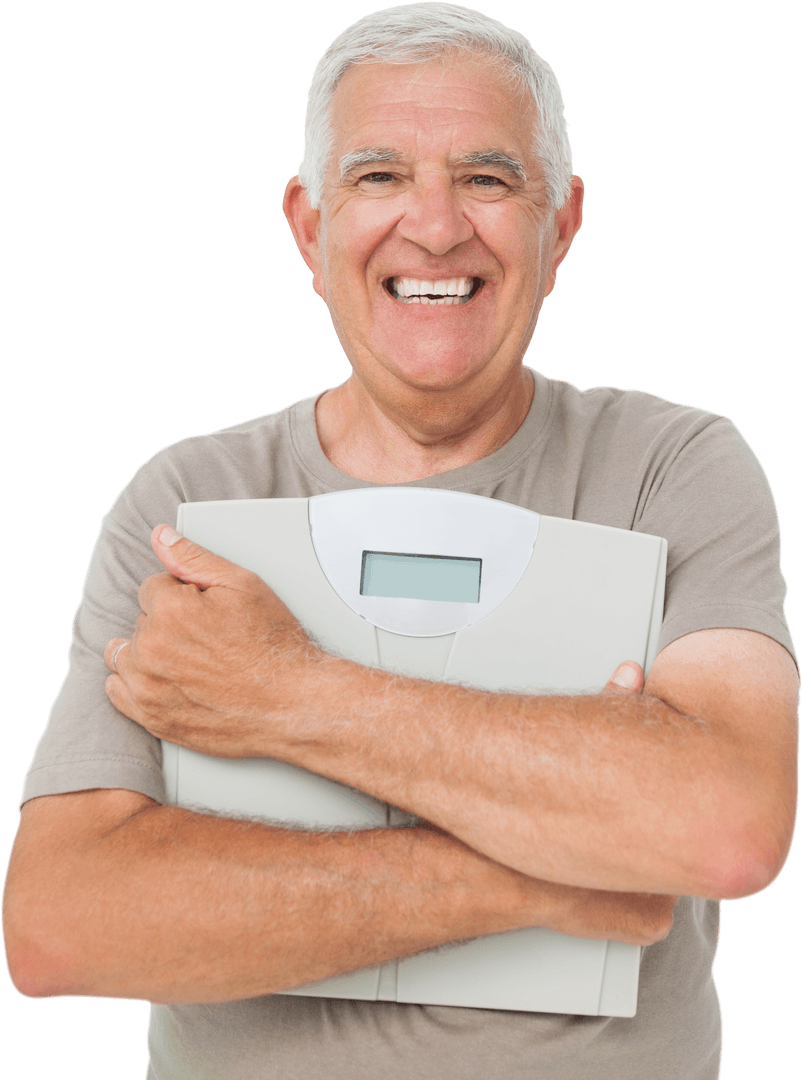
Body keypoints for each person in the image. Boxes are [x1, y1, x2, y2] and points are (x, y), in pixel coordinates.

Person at [3, 4, 798, 1078]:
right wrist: (546, 873)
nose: (433, 228)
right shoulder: (191, 499)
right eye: (378, 177)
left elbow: (724, 825)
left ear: (558, 225)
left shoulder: (672, 466)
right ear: (308, 227)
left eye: (485, 178)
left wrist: (283, 694)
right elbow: (60, 925)